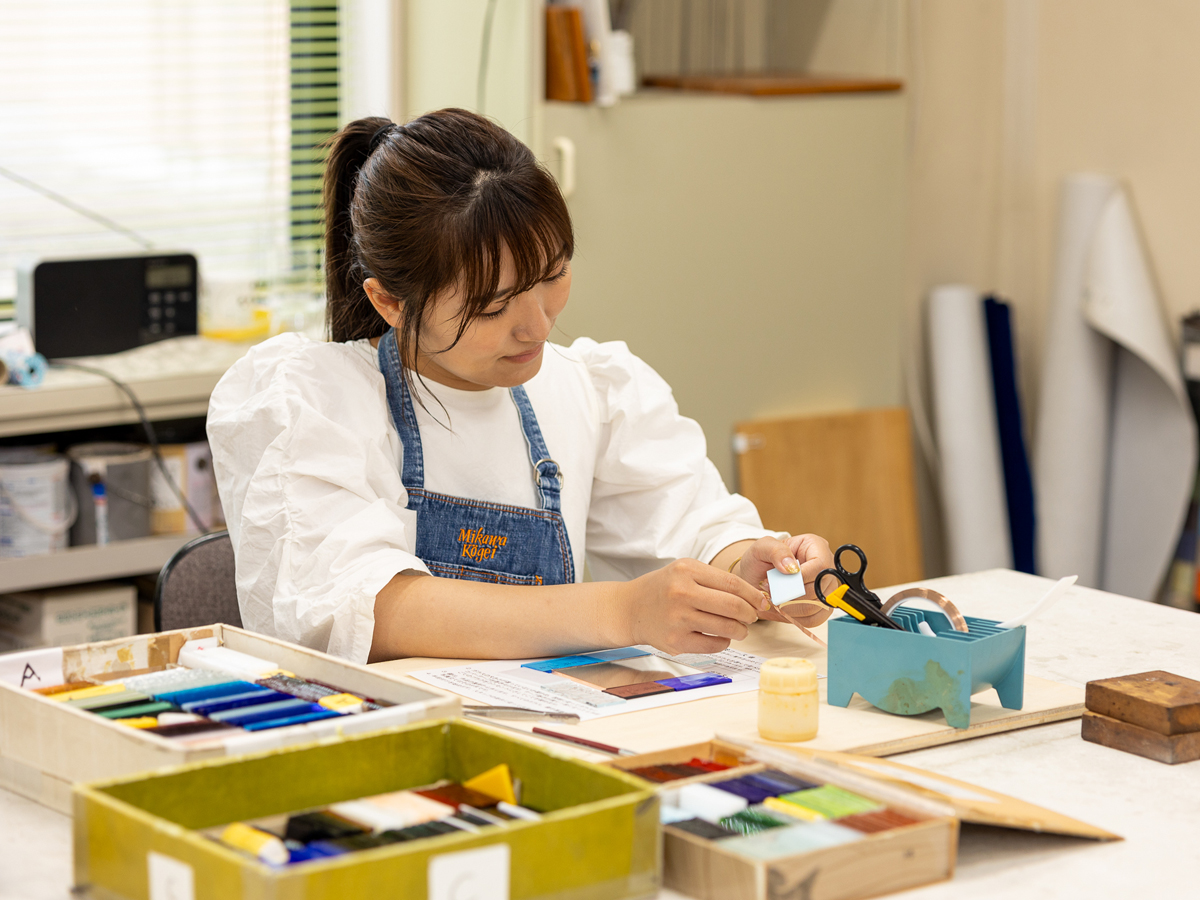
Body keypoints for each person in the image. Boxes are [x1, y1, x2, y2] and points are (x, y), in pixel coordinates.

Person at [208, 108, 834, 664]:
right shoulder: (313, 404)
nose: (536, 325)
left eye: (553, 275)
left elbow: (689, 528)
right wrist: (622, 612)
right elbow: (367, 612)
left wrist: (750, 570)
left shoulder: (591, 391)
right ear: (391, 303)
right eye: (492, 306)